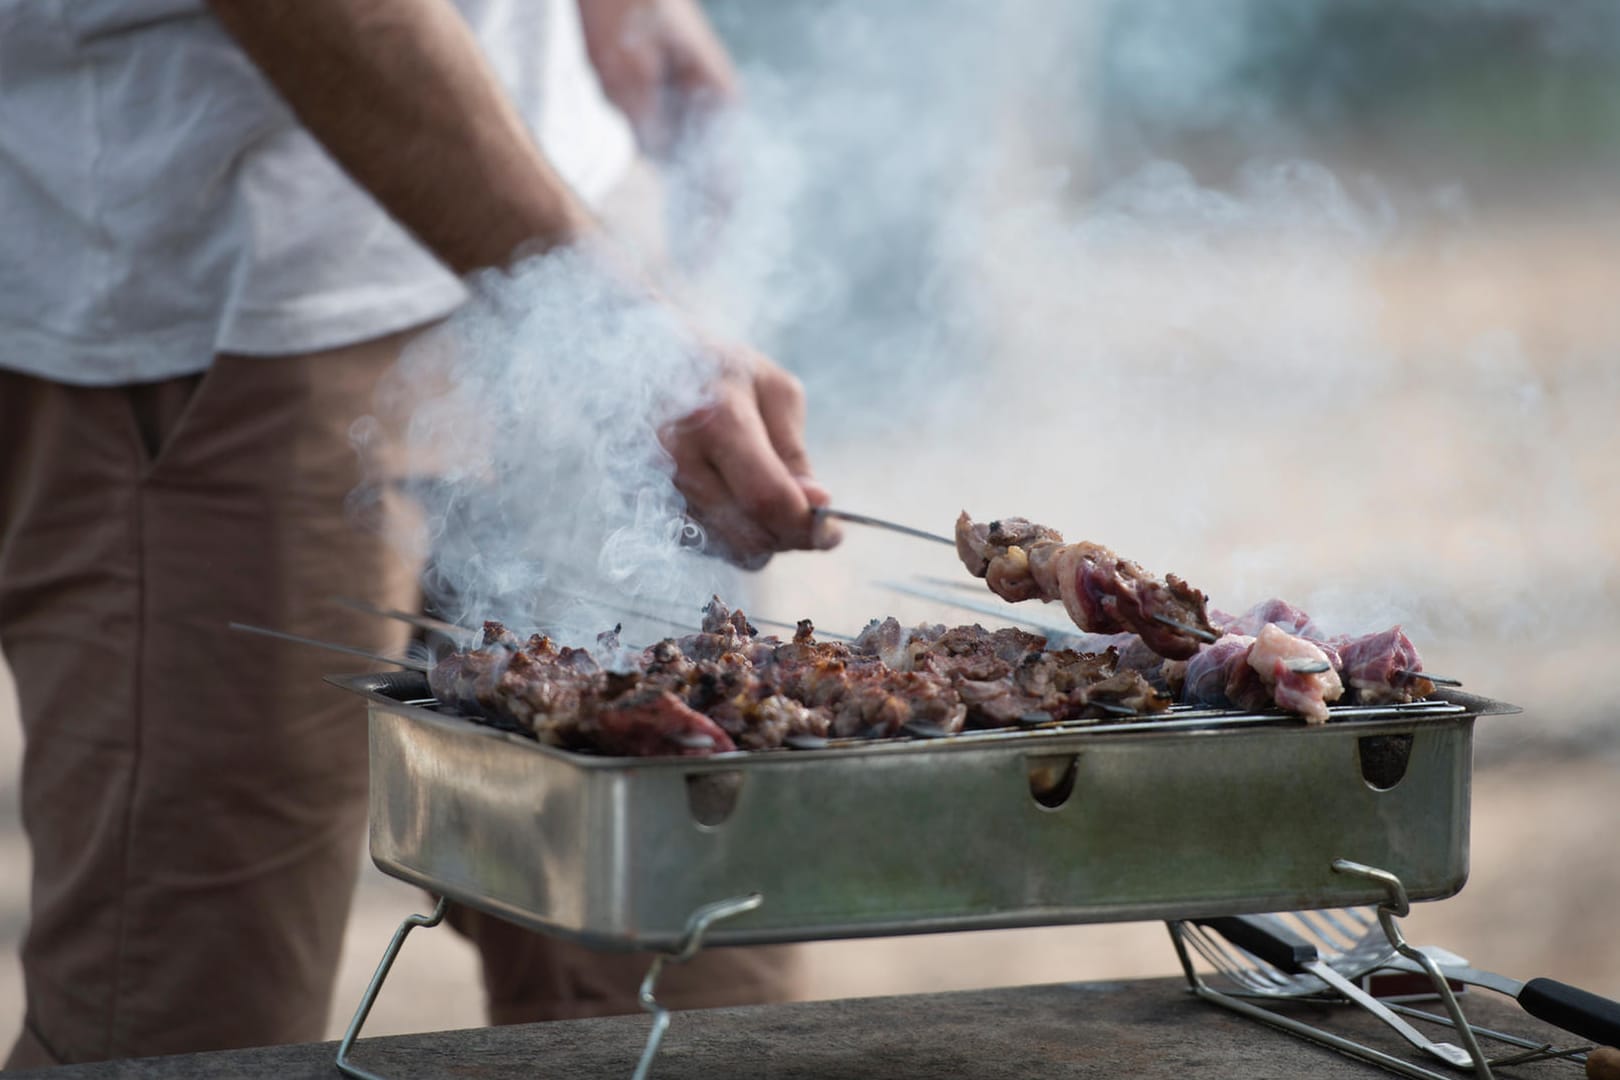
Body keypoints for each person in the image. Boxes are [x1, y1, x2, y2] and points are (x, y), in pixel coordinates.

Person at [0, 0, 837, 1067]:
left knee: (692, 994)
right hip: (235, 295)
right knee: (191, 1020)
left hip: (569, 217)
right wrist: (615, 316)